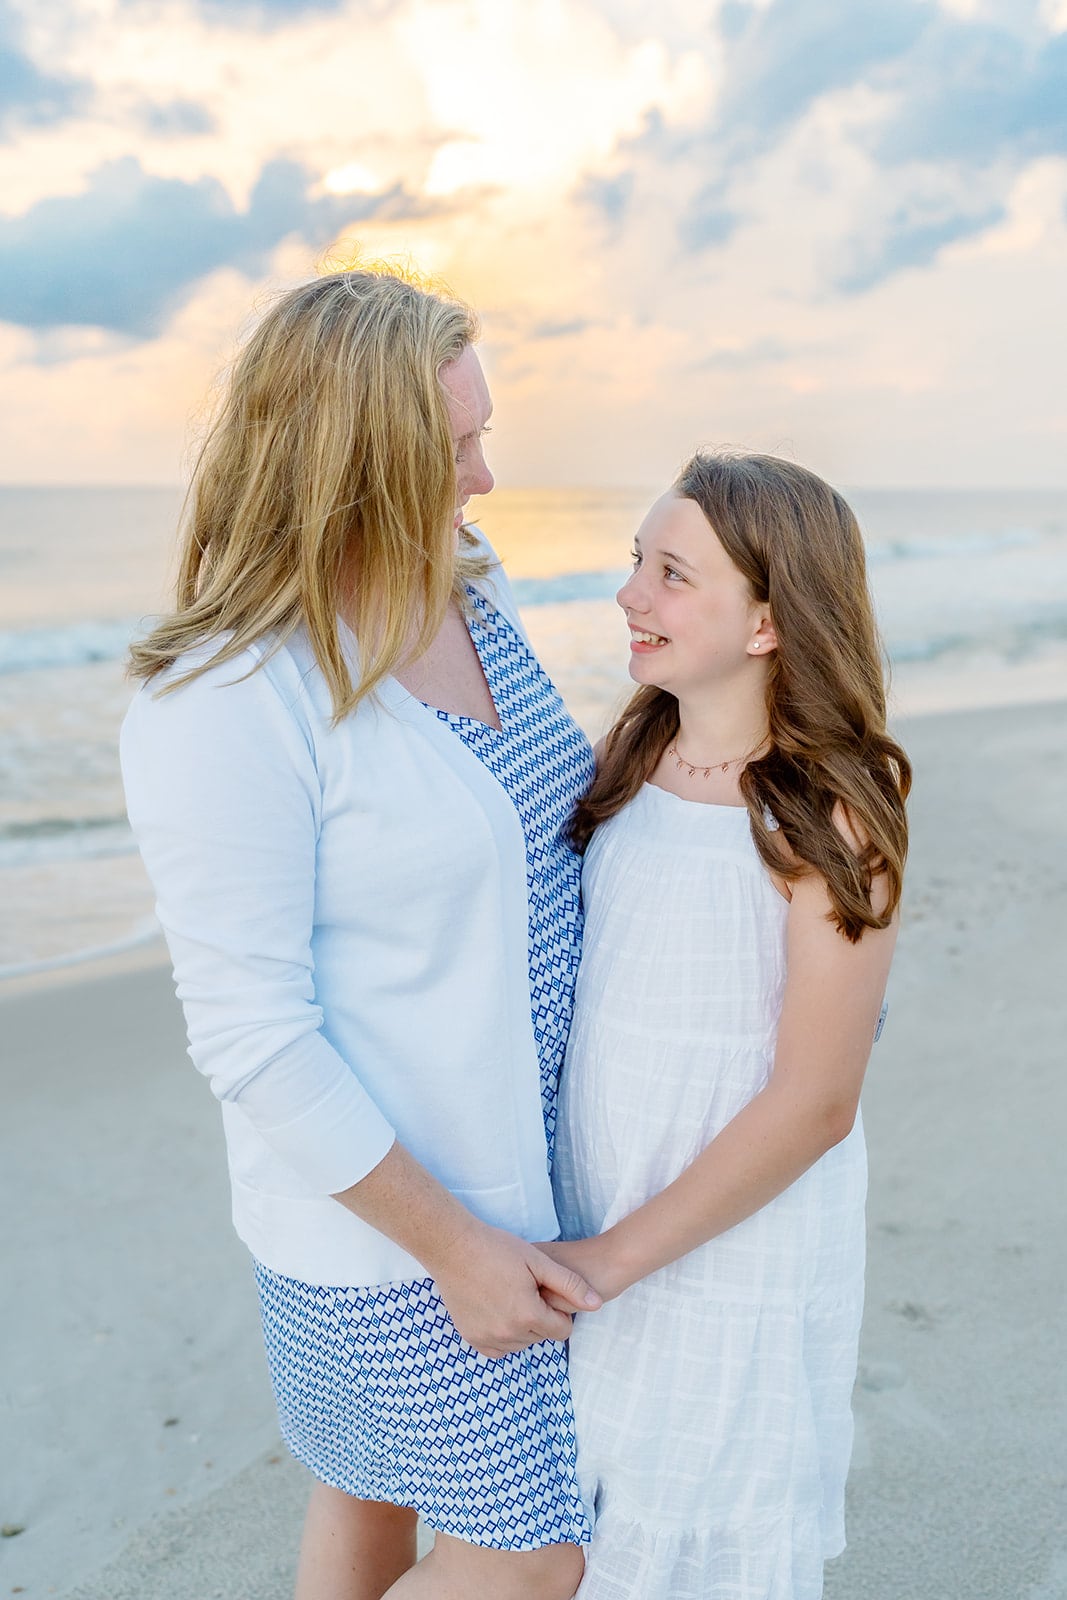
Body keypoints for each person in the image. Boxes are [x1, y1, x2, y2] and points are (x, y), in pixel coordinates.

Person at [120, 266, 601, 1600]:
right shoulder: (226, 697)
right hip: (401, 1228)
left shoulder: (466, 590)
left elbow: (532, 836)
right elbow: (252, 1040)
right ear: (354, 464)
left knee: (367, 1490)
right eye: (454, 450)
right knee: (533, 1559)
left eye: (483, 434)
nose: (485, 477)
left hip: (530, 1179)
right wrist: (457, 1250)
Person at [544, 451, 911, 1600]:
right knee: (572, 1531)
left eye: (670, 573)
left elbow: (815, 1101)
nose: (628, 595)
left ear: (767, 620)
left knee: (689, 1537)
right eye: (634, 563)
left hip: (726, 1238)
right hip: (591, 1200)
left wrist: (613, 1259)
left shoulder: (829, 811)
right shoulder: (630, 756)